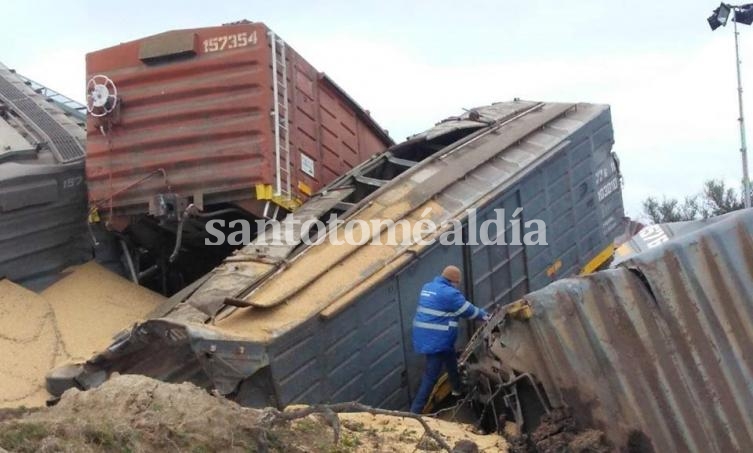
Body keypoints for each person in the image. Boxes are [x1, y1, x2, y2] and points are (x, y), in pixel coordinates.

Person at [409, 265, 489, 414]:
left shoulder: (428, 287)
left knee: (451, 360)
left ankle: (457, 389)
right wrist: (486, 316)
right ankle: (414, 412)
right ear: (454, 281)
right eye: (457, 282)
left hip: (425, 336)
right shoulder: (450, 294)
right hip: (436, 341)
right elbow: (469, 311)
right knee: (431, 375)